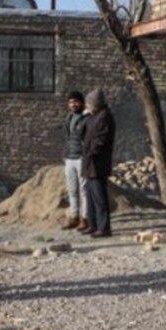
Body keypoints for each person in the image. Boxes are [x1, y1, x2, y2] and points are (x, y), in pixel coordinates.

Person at [80, 89, 115, 238]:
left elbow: (100, 140)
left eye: (89, 103)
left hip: (97, 163)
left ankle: (104, 227)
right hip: (90, 163)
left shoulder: (104, 117)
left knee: (99, 197)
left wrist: (91, 153)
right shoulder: (95, 116)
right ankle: (93, 224)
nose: (87, 106)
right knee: (90, 195)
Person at [61, 90, 89, 231]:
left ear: (82, 103)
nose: (73, 104)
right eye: (71, 102)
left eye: (76, 102)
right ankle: (74, 217)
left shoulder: (87, 119)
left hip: (81, 158)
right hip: (69, 158)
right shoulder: (68, 118)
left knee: (84, 190)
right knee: (72, 190)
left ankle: (85, 218)